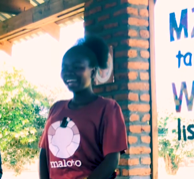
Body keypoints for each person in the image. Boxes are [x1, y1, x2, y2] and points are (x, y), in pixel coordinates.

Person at [39, 35, 128, 179]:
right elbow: (44, 153)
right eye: (65, 67)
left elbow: (112, 159)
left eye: (77, 67)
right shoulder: (56, 109)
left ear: (92, 72)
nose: (69, 72)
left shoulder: (108, 108)